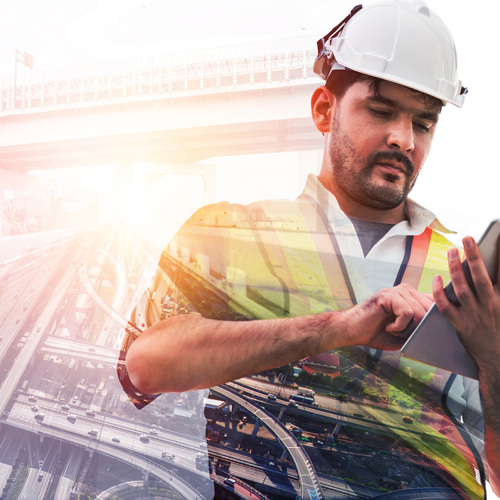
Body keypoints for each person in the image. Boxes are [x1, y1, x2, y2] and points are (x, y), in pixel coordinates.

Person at [119, 1, 500, 498]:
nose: (403, 139)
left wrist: (492, 357)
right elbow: (143, 367)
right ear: (324, 110)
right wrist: (335, 328)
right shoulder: (230, 233)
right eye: (381, 111)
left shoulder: (471, 281)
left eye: (423, 123)